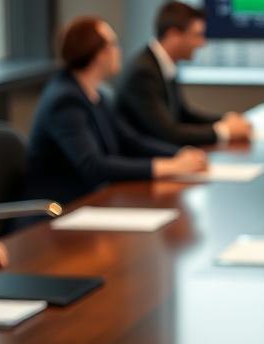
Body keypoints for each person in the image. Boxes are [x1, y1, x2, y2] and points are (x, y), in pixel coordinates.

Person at [26, 16, 208, 203]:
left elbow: (130, 141)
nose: (118, 51)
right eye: (113, 45)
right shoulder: (65, 100)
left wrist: (178, 154)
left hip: (92, 200)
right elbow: (93, 166)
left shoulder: (97, 94)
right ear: (98, 53)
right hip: (58, 209)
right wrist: (169, 167)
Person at [115, 0, 252, 146]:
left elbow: (183, 114)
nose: (202, 43)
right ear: (173, 35)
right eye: (197, 35)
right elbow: (168, 133)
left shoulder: (161, 64)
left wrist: (224, 120)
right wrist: (224, 131)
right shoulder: (144, 72)